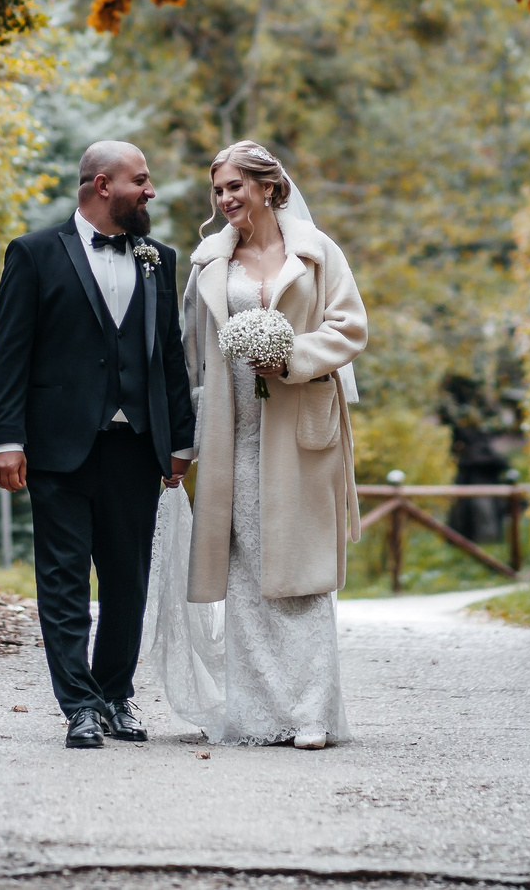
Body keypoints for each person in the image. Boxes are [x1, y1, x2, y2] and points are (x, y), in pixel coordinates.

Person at [150, 140, 367, 748]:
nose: (224, 201)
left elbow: (350, 327)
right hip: (234, 433)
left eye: (234, 187)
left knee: (301, 566)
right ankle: (258, 712)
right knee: (245, 568)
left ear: (268, 187)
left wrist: (290, 356)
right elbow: (191, 355)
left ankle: (313, 713)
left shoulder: (318, 254)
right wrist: (184, 443)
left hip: (301, 433)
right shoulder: (207, 264)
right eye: (217, 191)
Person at [0, 141, 197, 749]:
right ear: (103, 185)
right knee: (63, 580)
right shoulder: (33, 253)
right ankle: (77, 704)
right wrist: (6, 438)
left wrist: (180, 438)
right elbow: (10, 356)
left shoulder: (160, 258)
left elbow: (170, 361)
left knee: (128, 581)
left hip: (136, 447)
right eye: (141, 180)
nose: (150, 190)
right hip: (57, 447)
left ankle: (115, 694)